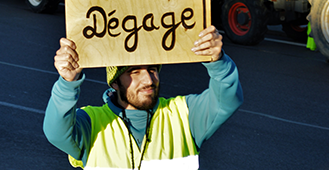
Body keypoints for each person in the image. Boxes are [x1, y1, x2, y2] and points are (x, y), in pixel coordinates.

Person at [44, 26, 243, 169]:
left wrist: (217, 61)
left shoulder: (184, 115)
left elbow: (227, 99)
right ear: (114, 82)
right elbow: (56, 133)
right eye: (134, 72)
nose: (148, 79)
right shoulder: (92, 123)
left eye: (153, 69)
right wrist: (67, 83)